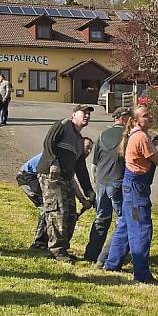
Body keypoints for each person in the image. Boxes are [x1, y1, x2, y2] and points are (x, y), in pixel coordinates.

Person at [104, 106, 158, 285]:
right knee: (141, 229)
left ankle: (112, 264)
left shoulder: (134, 134)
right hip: (136, 188)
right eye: (146, 116)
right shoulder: (140, 137)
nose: (150, 118)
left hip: (130, 185)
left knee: (125, 226)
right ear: (136, 119)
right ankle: (141, 274)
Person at [36, 105, 96, 262]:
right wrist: (53, 162)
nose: (87, 116)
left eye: (89, 114)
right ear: (74, 114)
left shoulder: (79, 140)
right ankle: (56, 250)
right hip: (52, 175)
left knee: (70, 214)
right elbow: (48, 142)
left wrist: (89, 192)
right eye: (84, 113)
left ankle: (62, 247)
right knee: (58, 212)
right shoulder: (63, 125)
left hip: (65, 179)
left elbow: (81, 170)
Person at [84, 107, 131, 265]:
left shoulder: (103, 134)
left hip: (102, 182)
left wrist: (97, 183)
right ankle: (110, 255)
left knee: (101, 218)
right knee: (123, 220)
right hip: (118, 182)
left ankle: (91, 253)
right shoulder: (127, 136)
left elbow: (94, 164)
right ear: (123, 118)